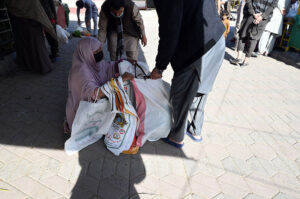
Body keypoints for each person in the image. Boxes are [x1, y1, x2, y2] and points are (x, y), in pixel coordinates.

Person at [150, 0, 225, 147]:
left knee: (180, 94)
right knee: (201, 91)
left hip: (197, 49)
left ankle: (177, 137)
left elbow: (170, 32)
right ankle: (196, 130)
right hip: (217, 40)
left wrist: (160, 67)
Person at [64, 37, 133, 133]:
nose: (101, 53)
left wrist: (121, 63)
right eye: (97, 51)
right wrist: (119, 81)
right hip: (81, 112)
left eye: (101, 49)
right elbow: (95, 94)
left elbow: (107, 67)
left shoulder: (92, 62)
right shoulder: (81, 71)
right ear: (87, 53)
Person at [6, 0, 54, 74]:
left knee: (32, 45)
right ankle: (40, 66)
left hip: (26, 22)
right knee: (34, 45)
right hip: (32, 20)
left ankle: (40, 67)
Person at [230, 0, 279, 67]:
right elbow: (273, 6)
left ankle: (238, 58)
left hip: (250, 15)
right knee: (254, 39)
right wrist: (262, 16)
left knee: (243, 35)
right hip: (263, 18)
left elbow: (248, 1)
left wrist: (253, 13)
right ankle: (246, 61)